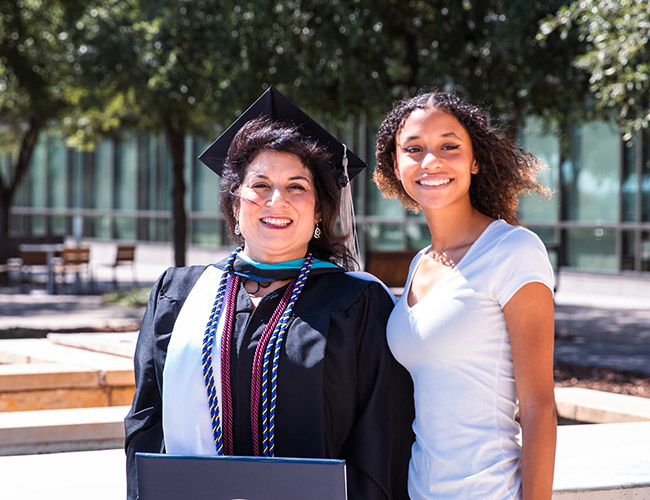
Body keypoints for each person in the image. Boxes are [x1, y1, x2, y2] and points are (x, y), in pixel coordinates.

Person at [124, 87, 415, 500]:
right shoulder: (179, 295)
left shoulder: (358, 303)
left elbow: (381, 440)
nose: (276, 200)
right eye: (260, 184)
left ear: (319, 211)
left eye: (297, 186)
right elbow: (146, 423)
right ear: (235, 204)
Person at [374, 91, 556, 499]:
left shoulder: (513, 251)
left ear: (474, 160)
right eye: (414, 149)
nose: (431, 161)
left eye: (449, 147)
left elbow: (538, 407)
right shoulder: (420, 262)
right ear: (396, 164)